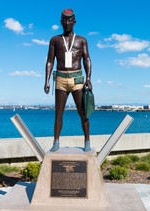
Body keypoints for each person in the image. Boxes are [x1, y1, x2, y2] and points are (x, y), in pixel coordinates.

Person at [44, 8, 92, 152]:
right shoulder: (55, 40)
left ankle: (87, 141)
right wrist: (46, 80)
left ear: (74, 22)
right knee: (58, 113)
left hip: (77, 79)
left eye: (69, 20)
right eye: (64, 20)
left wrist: (88, 78)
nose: (66, 23)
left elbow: (87, 59)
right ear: (61, 22)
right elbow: (49, 61)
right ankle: (56, 141)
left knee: (83, 112)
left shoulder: (81, 40)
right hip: (60, 79)